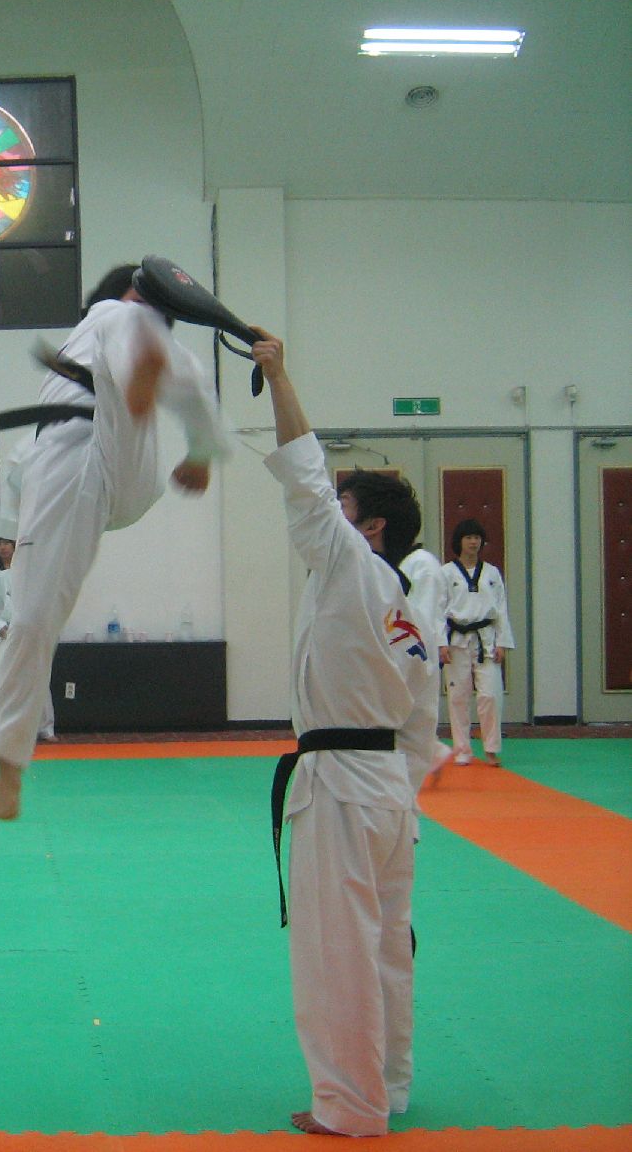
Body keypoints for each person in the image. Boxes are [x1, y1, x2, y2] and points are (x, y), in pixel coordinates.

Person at [0, 262, 229, 824]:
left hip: (84, 452)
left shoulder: (116, 318)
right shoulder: (116, 318)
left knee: (31, 618)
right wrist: (201, 452)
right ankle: (133, 387)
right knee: (33, 618)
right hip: (119, 466)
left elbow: (167, 355)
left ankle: (7, 781)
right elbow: (193, 380)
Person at [253, 329, 438, 1137]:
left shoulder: (349, 566)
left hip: (339, 788)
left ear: (369, 529)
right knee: (387, 946)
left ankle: (350, 1106)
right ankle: (387, 1086)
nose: (331, 517)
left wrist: (276, 374)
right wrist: (398, 795)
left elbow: (302, 472)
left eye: (345, 511)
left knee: (337, 952)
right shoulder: (409, 617)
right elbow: (421, 730)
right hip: (391, 795)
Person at [440, 519, 514, 766]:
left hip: (486, 639)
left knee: (490, 695)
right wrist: (440, 643)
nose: (473, 542)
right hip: (456, 640)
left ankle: (491, 749)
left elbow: (501, 609)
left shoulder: (492, 573)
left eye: (477, 538)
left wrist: (502, 642)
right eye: (468, 537)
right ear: (459, 541)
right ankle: (462, 749)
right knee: (458, 696)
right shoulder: (446, 573)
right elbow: (437, 610)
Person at [0, 566, 56, 741]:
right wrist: (0, 628)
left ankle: (45, 728)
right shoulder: (4, 577)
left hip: (36, 635)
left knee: (39, 680)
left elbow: (54, 607)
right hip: (9, 634)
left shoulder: (45, 578)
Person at [399, 540, 450, 786]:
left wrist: (431, 645)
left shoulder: (423, 564)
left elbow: (427, 611)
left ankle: (432, 754)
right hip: (411, 642)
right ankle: (434, 753)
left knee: (412, 711)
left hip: (418, 646)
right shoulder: (408, 562)